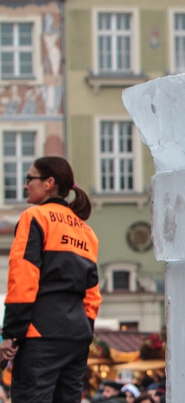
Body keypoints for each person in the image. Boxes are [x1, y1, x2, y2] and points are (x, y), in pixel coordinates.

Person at [0, 156, 102, 402]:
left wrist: (11, 334)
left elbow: (23, 278)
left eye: (29, 179)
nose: (25, 185)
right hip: (76, 336)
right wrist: (84, 330)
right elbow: (92, 294)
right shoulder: (86, 230)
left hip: (41, 333)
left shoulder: (34, 217)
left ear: (49, 183)